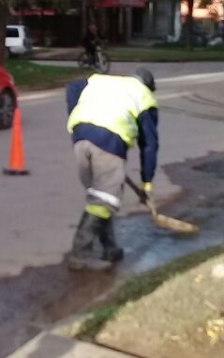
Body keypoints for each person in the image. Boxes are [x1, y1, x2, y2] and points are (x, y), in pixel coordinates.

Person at [63, 67, 158, 271]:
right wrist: (146, 182)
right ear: (148, 86)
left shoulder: (104, 81)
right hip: (108, 140)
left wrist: (79, 119)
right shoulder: (145, 97)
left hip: (80, 137)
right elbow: (149, 144)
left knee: (100, 196)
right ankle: (80, 253)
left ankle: (109, 247)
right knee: (104, 199)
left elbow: (72, 87)